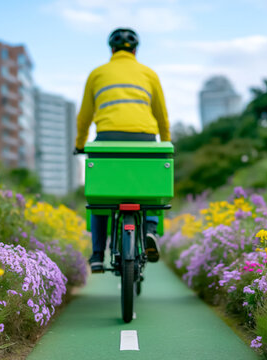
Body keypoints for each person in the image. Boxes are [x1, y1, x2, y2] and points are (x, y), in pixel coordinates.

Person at [74, 28, 171, 273]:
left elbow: (84, 116)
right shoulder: (149, 73)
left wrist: (79, 143)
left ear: (112, 50)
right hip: (145, 137)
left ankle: (97, 255)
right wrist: (166, 144)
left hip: (107, 138)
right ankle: (149, 230)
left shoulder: (97, 73)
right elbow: (162, 115)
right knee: (151, 188)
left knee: (100, 197)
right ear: (135, 50)